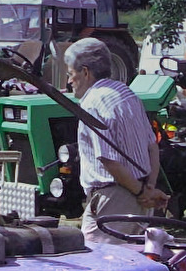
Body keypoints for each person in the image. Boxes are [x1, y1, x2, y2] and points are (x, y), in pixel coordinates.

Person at [65, 37, 167, 245]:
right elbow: (152, 147)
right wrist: (148, 189)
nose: (68, 81)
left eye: (70, 74)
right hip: (139, 193)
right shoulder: (128, 94)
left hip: (113, 199)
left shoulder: (92, 104)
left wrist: (140, 191)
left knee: (100, 264)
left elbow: (109, 161)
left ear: (85, 72)